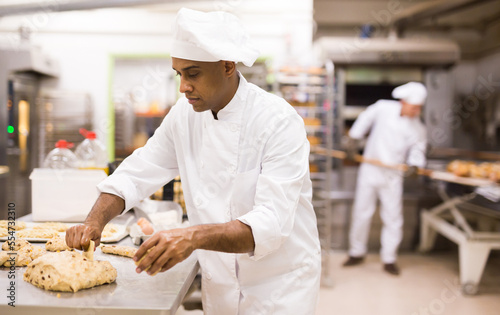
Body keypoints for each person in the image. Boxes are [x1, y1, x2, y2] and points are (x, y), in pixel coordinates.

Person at [65, 8, 321, 315]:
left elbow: (271, 224)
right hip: (221, 288)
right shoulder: (184, 116)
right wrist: (94, 223)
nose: (183, 86)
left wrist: (192, 235)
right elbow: (136, 172)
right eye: (179, 74)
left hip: (278, 290)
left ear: (227, 66)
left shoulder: (277, 121)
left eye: (193, 73)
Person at [342, 82, 427, 276]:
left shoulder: (418, 128)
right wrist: (354, 138)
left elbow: (418, 149)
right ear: (403, 102)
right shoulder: (383, 108)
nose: (416, 111)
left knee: (393, 217)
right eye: (414, 107)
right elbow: (365, 118)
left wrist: (415, 165)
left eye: (419, 108)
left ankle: (389, 258)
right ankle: (356, 252)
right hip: (370, 169)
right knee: (361, 212)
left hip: (392, 176)